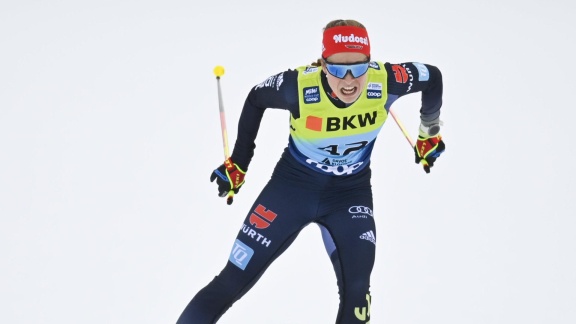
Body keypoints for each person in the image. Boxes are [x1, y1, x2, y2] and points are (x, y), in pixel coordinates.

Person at [176, 18, 445, 324]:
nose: (348, 80)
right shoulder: (297, 87)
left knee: (358, 294)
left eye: (358, 67)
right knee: (231, 281)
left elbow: (432, 77)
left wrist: (429, 133)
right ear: (322, 63)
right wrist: (239, 163)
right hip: (291, 190)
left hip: (349, 196)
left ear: (370, 64)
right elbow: (255, 99)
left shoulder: (387, 80)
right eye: (337, 68)